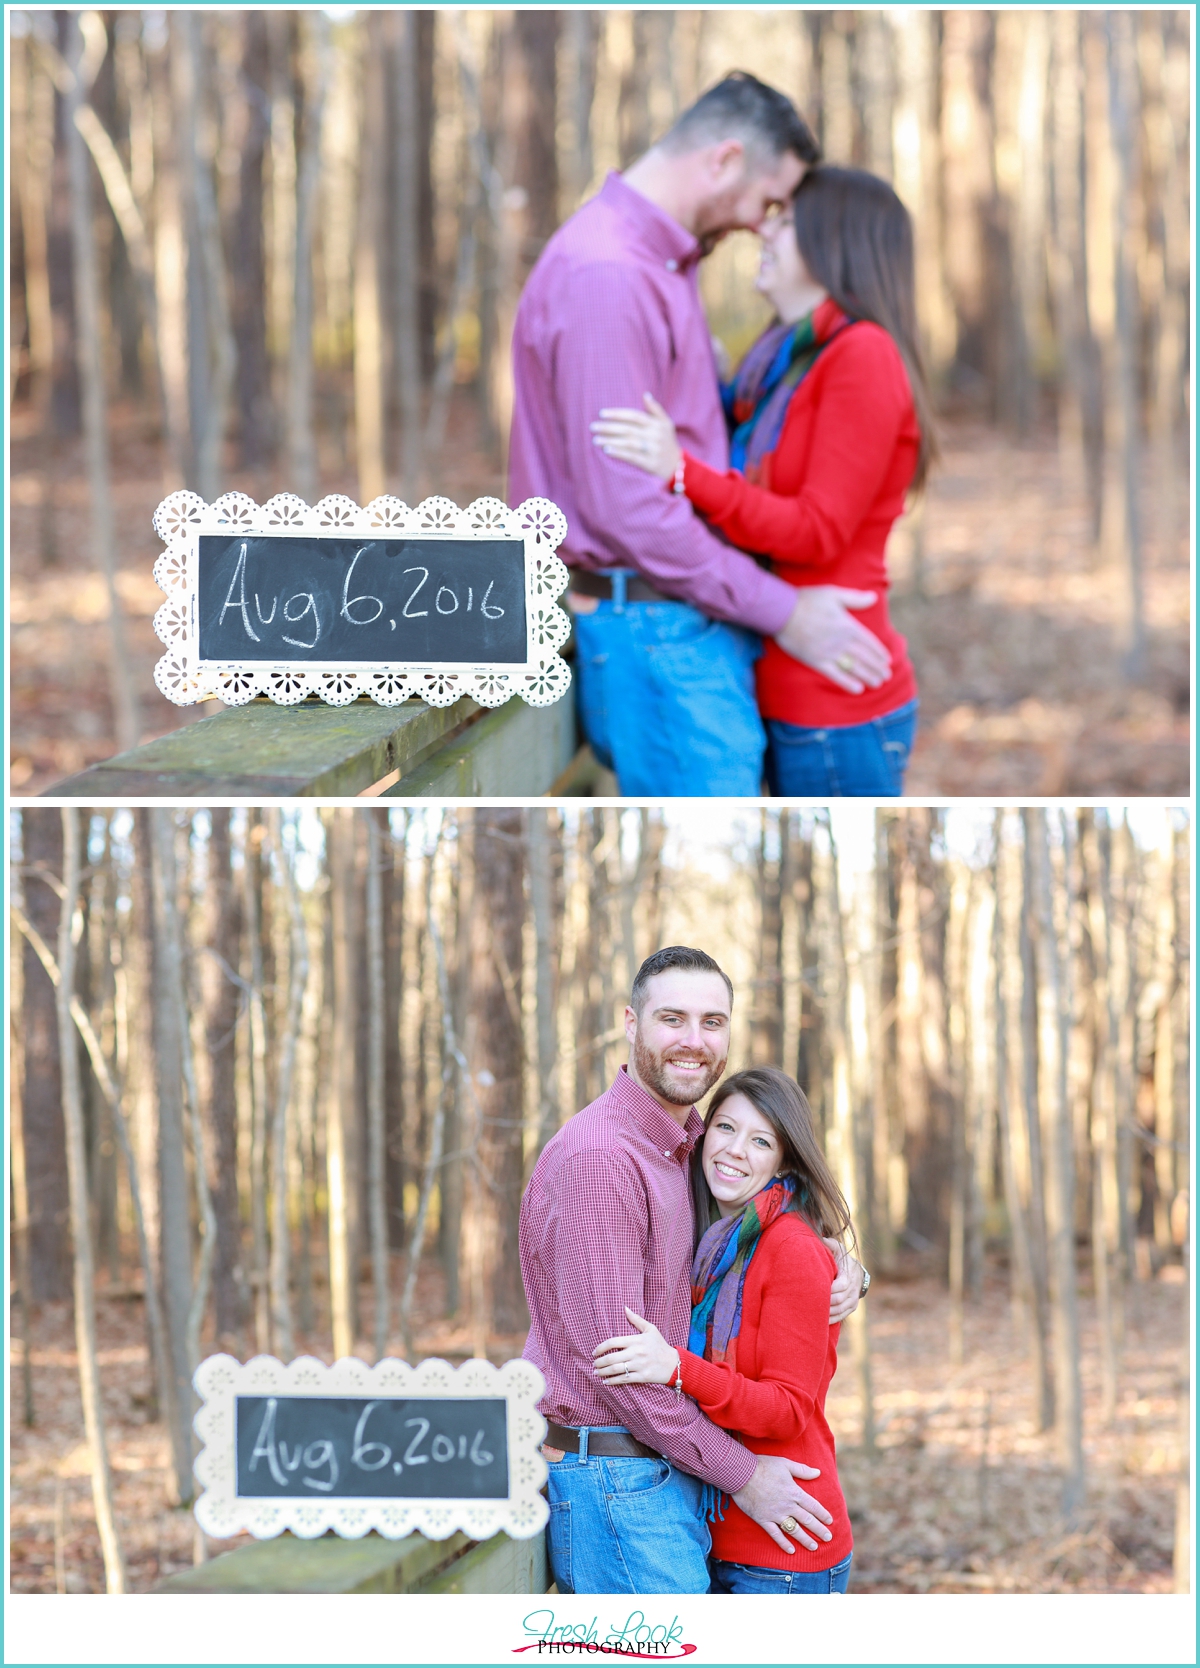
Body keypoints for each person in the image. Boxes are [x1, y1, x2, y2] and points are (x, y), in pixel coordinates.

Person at [508, 75, 892, 797]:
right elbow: (631, 509)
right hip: (660, 631)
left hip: (683, 622)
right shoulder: (609, 275)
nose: (761, 224)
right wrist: (785, 613)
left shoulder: (660, 265)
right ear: (722, 160)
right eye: (767, 201)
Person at [519, 946, 866, 1595]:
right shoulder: (603, 1160)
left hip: (665, 1474)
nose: (693, 1040)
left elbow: (763, 1232)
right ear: (631, 1022)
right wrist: (744, 1474)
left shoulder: (688, 1147)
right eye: (672, 1018)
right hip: (617, 1480)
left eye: (712, 1022)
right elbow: (618, 1371)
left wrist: (842, 1267)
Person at [591, 165, 935, 797]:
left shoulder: (863, 356)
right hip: (780, 682)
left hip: (836, 703)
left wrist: (682, 473)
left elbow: (816, 530)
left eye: (785, 220)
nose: (764, 231)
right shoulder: (781, 360)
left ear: (836, 242)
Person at [593, 1067, 855, 1594]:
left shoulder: (792, 1248)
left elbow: (786, 1410)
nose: (736, 1150)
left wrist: (676, 1368)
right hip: (715, 1534)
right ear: (703, 1133)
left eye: (761, 1141)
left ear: (785, 1159)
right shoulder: (715, 1245)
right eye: (726, 1128)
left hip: (784, 1550)